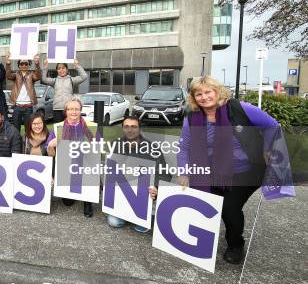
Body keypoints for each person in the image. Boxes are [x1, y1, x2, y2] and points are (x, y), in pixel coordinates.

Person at [177, 76, 279, 264]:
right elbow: (184, 146)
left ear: (217, 91)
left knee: (229, 207)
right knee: (206, 202)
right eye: (198, 94)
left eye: (208, 92)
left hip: (246, 170)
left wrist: (267, 148)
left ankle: (235, 245)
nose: (204, 97)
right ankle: (203, 236)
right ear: (193, 97)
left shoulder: (239, 108)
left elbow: (272, 125)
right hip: (211, 171)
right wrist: (183, 171)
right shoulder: (192, 117)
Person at [106, 116, 171, 232]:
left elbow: (164, 173)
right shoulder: (115, 145)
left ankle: (142, 215)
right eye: (126, 127)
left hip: (143, 196)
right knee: (113, 222)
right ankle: (128, 214)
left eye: (133, 127)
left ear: (139, 129)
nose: (130, 130)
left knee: (141, 226)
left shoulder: (152, 148)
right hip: (123, 194)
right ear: (122, 128)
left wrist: (156, 187)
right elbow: (108, 170)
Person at [46, 96, 99, 218]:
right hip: (66, 167)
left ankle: (88, 201)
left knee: (88, 177)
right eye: (70, 109)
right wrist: (50, 146)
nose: (74, 112)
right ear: (66, 111)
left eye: (76, 109)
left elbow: (96, 153)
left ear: (81, 110)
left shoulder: (90, 126)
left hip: (85, 164)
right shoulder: (58, 127)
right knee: (67, 202)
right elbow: (51, 155)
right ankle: (73, 192)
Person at [5, 54, 41, 131]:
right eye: (22, 64)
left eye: (26, 64)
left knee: (28, 129)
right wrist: (8, 64)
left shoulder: (31, 75)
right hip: (17, 106)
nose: (24, 65)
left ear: (28, 65)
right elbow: (8, 75)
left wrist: (37, 63)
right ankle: (17, 143)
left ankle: (27, 143)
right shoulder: (16, 75)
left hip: (28, 107)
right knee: (15, 129)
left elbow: (38, 76)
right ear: (19, 65)